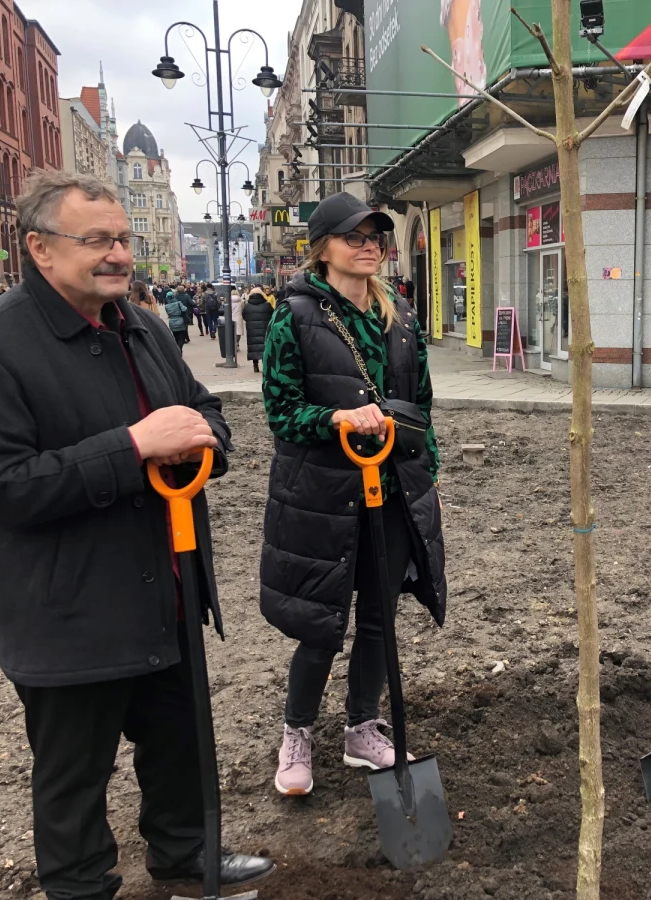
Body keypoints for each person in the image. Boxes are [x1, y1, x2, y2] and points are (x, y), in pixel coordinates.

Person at [0, 170, 273, 900]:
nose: (118, 255)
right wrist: (133, 448)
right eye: (96, 240)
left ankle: (187, 860)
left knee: (179, 745)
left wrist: (202, 444)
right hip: (67, 610)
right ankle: (81, 887)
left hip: (165, 585)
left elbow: (202, 414)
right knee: (73, 775)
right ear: (39, 249)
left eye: (123, 239)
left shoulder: (142, 327)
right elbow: (3, 489)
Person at [259, 192, 446, 797]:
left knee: (378, 620)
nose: (369, 246)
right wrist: (337, 420)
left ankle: (362, 726)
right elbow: (281, 413)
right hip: (322, 495)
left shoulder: (403, 319)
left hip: (392, 492)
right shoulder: (296, 316)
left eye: (377, 237)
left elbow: (421, 405)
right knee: (321, 624)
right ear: (323, 248)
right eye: (354, 237)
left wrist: (428, 473)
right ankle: (298, 733)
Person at [241, 285, 272, 373]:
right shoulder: (267, 305)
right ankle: (264, 365)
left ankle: (255, 365)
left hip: (251, 330)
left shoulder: (247, 306)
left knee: (253, 346)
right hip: (265, 328)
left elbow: (244, 316)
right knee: (264, 346)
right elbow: (272, 315)